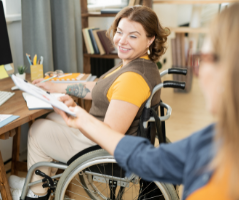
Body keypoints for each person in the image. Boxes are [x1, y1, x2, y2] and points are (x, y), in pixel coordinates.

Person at [56, 3, 239, 200]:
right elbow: (147, 159)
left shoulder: (134, 75)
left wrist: (84, 119)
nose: (200, 72)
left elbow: (130, 145)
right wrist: (69, 102)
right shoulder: (213, 139)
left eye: (207, 59)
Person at [0, 5, 170, 200]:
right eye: (120, 32)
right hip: (104, 134)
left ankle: (36, 193)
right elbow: (98, 88)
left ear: (150, 39)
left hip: (103, 148)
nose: (122, 40)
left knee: (38, 130)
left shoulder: (133, 79)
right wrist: (56, 86)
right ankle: (38, 181)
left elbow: (110, 132)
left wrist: (80, 116)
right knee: (52, 117)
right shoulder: (137, 64)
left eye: (133, 36)